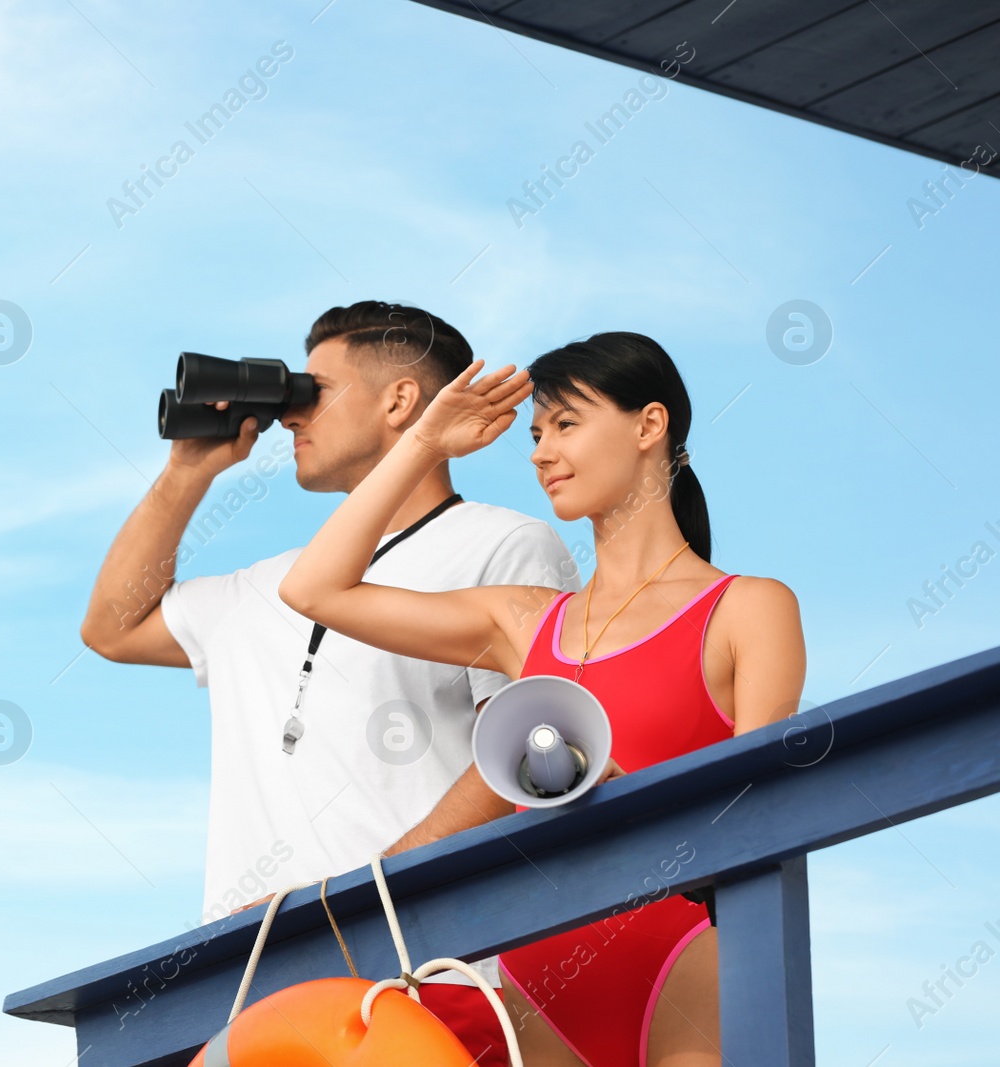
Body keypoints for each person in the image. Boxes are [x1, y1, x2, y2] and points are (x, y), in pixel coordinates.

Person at [278, 332, 806, 1067]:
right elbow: (315, 589)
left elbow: (765, 817)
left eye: (565, 424)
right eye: (533, 433)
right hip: (536, 980)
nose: (539, 451)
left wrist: (640, 799)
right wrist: (424, 441)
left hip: (684, 955)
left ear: (649, 425)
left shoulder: (750, 608)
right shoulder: (526, 621)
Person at [79, 302, 580, 1063]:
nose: (290, 417)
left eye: (315, 391)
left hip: (417, 971)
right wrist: (188, 471)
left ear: (400, 401)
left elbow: (516, 752)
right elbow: (112, 626)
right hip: (247, 988)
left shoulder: (504, 544)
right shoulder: (266, 583)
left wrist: (354, 904)